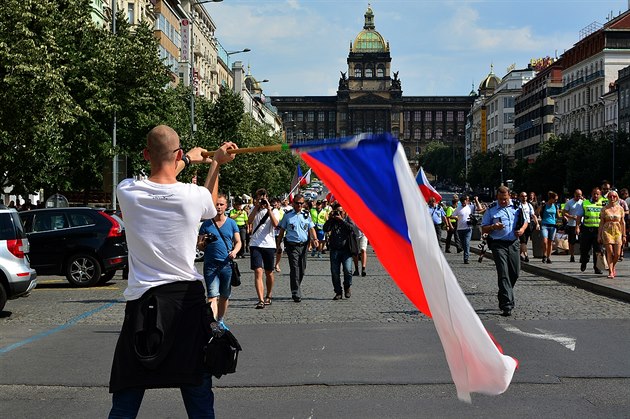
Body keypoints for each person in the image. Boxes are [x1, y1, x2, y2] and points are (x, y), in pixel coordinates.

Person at [108, 125, 236, 418]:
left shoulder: (127, 190)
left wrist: (188, 160)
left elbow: (165, 172)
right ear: (178, 152)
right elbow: (208, 202)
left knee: (127, 393)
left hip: (143, 302)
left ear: (144, 154)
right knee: (198, 390)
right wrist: (215, 162)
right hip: (185, 302)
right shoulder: (193, 196)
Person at [481, 186, 528, 317]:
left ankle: (503, 292)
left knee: (515, 272)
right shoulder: (491, 210)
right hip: (498, 244)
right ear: (497, 197)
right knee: (503, 273)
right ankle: (507, 304)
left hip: (513, 243)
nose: (503, 201)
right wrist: (493, 227)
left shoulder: (517, 206)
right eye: (501, 199)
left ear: (509, 196)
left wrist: (522, 230)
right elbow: (483, 229)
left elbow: (526, 222)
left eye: (505, 199)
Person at [199, 193, 241, 331]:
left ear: (226, 206)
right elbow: (199, 245)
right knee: (212, 295)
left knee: (224, 295)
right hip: (210, 264)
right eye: (216, 204)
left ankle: (220, 320)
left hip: (226, 265)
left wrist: (234, 251)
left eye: (221, 204)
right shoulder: (206, 224)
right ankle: (213, 324)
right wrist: (204, 242)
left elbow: (238, 242)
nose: (218, 207)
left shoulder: (231, 223)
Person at [276, 194, 319, 302]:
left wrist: (315, 239)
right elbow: (282, 230)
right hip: (292, 245)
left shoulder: (306, 215)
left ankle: (297, 285)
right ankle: (295, 291)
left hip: (303, 245)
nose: (299, 205)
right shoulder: (287, 215)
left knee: (302, 269)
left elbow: (311, 228)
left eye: (301, 203)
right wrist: (278, 244)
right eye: (297, 203)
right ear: (293, 203)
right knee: (295, 268)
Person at [248, 188, 279, 309]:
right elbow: (249, 221)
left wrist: (269, 209)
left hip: (269, 244)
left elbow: (276, 224)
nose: (261, 199)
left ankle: (269, 295)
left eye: (263, 196)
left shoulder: (274, 210)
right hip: (255, 243)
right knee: (258, 271)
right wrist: (256, 207)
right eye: (259, 197)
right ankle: (260, 299)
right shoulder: (253, 209)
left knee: (269, 272)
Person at [323, 204, 356, 300]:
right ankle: (338, 291)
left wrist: (342, 220)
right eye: (337, 211)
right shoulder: (332, 221)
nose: (339, 213)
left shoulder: (347, 219)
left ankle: (347, 286)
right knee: (335, 272)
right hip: (335, 250)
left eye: (341, 212)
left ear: (344, 212)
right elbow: (325, 229)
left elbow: (352, 228)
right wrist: (330, 219)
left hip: (346, 250)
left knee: (348, 270)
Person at [598, 190, 626, 278]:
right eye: (610, 196)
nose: (612, 198)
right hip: (607, 231)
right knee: (609, 251)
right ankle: (610, 271)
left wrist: (624, 235)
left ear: (617, 197)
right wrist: (599, 235)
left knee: (617, 254)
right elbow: (601, 223)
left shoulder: (620, 209)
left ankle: (612, 266)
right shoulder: (604, 209)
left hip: (618, 231)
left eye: (614, 196)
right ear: (608, 198)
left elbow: (622, 222)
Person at [579, 187, 607, 275]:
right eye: (594, 194)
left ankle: (597, 268)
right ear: (591, 194)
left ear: (600, 194)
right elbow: (579, 216)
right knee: (584, 249)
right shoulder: (585, 203)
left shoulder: (604, 203)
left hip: (598, 230)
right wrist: (577, 226)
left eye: (597, 194)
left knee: (598, 250)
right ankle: (584, 261)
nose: (596, 195)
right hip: (587, 229)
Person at [452, 195, 483, 264]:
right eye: (462, 202)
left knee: (467, 243)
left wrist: (477, 200)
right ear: (461, 202)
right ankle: (465, 252)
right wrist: (455, 218)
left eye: (465, 201)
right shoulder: (458, 208)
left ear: (467, 201)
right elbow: (452, 215)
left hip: (468, 228)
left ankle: (466, 258)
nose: (464, 203)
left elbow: (480, 209)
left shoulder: (470, 207)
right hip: (460, 229)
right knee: (463, 244)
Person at [537, 191, 561, 264]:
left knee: (550, 242)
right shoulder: (544, 205)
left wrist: (563, 218)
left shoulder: (556, 206)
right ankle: (544, 254)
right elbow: (537, 212)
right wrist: (540, 207)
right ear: (551, 198)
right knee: (545, 241)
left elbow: (558, 216)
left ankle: (548, 257)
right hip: (545, 224)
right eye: (555, 199)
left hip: (553, 225)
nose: (556, 201)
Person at [562, 189, 583, 262]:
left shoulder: (582, 202)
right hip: (572, 224)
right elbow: (564, 213)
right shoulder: (569, 202)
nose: (578, 197)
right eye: (577, 196)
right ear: (574, 195)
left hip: (581, 224)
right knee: (572, 242)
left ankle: (582, 256)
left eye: (580, 196)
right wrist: (572, 217)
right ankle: (572, 255)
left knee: (582, 241)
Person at [517, 191, 539, 262]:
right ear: (520, 197)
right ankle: (526, 256)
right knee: (523, 241)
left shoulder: (529, 205)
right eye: (522, 196)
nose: (524, 198)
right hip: (520, 225)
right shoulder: (518, 205)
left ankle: (519, 255)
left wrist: (537, 223)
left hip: (528, 225)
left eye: (525, 196)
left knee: (525, 241)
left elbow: (533, 215)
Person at [271, 198, 285, 272]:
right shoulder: (271, 211)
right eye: (274, 204)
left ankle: (277, 264)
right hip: (271, 234)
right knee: (271, 250)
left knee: (280, 249)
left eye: (277, 203)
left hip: (280, 233)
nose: (276, 205)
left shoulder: (283, 212)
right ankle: (270, 264)